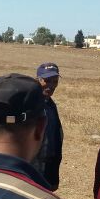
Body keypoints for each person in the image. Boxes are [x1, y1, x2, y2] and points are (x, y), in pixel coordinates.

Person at [31, 62, 63, 190]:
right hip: (33, 166)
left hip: (49, 164)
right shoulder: (32, 103)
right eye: (47, 80)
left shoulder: (50, 103)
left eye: (54, 81)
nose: (51, 85)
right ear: (38, 79)